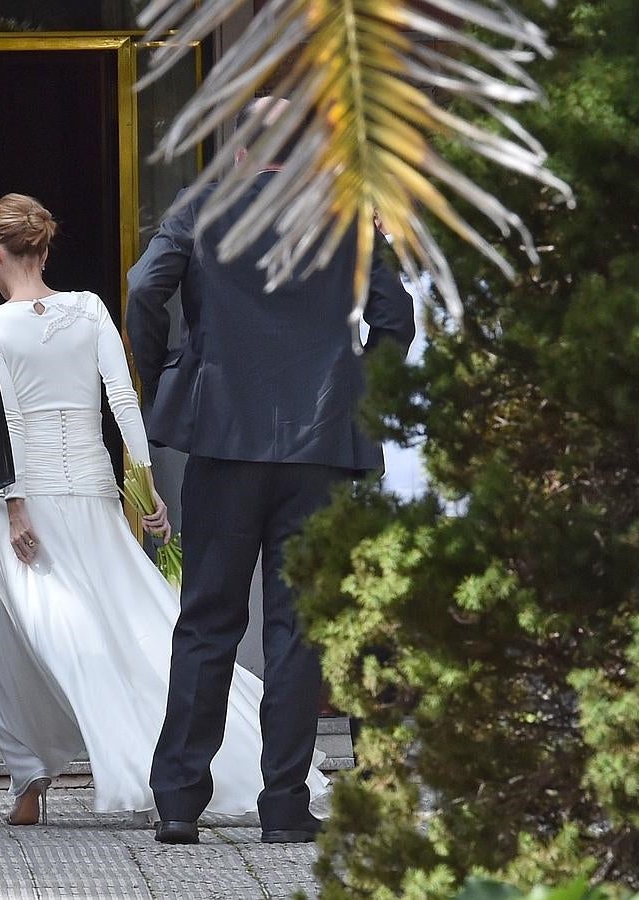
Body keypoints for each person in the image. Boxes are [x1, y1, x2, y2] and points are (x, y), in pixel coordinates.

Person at [0, 192, 329, 828]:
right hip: (93, 492)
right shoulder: (88, 309)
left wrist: (16, 503)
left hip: (25, 505)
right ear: (45, 249)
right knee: (128, 624)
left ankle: (35, 778)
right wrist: (143, 490)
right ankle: (167, 768)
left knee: (33, 645)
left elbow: (6, 421)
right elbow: (123, 401)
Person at [126, 98, 416, 845]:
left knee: (205, 623)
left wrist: (165, 376)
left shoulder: (201, 210)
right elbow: (395, 318)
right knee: (296, 629)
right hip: (320, 445)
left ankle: (179, 803)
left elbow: (140, 290)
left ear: (241, 151)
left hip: (222, 439)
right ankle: (283, 804)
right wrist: (360, 392)